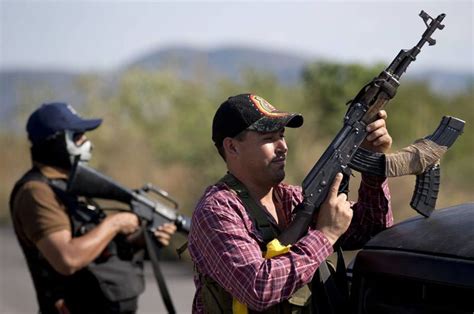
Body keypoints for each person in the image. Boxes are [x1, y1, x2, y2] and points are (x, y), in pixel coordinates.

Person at [188, 93, 393, 313]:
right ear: (232, 147)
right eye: (268, 138)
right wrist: (325, 236)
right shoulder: (217, 210)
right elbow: (258, 288)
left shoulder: (292, 198)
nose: (283, 146)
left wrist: (373, 161)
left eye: (282, 135)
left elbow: (373, 229)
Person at [10, 102, 177, 314]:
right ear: (56, 142)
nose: (87, 144)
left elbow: (96, 249)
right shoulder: (36, 192)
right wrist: (115, 223)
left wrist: (144, 239)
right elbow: (67, 259)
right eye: (78, 136)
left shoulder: (67, 187)